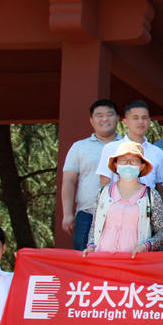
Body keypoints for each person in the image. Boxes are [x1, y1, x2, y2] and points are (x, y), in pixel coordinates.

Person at [82, 141, 163, 325]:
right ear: (115, 165)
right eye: (123, 161)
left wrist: (147, 245)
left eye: (133, 161)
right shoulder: (104, 193)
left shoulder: (150, 196)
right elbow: (95, 227)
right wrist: (91, 246)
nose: (128, 166)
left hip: (136, 269)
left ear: (142, 166)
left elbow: (162, 233)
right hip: (106, 270)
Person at [59, 98, 118, 250]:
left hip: (122, 215)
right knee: (84, 257)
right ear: (91, 120)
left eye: (109, 114)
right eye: (99, 115)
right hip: (87, 213)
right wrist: (67, 214)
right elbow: (69, 181)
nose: (105, 119)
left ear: (118, 118)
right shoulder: (79, 147)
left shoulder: (127, 146)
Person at [98, 100, 163, 193]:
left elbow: (161, 187)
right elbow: (104, 183)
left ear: (149, 121)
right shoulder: (111, 148)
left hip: (147, 201)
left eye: (144, 118)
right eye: (135, 118)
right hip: (116, 201)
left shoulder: (157, 152)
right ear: (125, 122)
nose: (140, 121)